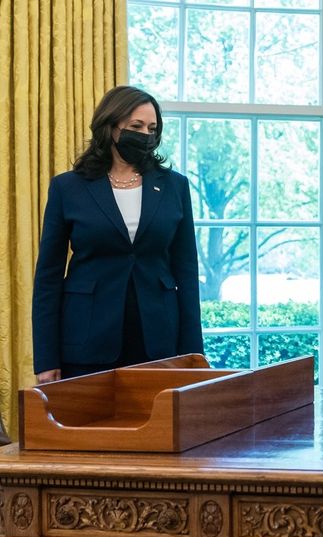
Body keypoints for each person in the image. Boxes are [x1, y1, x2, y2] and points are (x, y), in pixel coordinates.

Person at [32, 86, 202, 382]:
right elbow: (48, 277)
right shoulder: (68, 188)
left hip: (159, 343)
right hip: (86, 341)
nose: (146, 135)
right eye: (136, 127)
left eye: (152, 128)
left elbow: (186, 272)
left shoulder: (175, 186)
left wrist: (193, 354)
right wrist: (46, 358)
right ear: (111, 127)